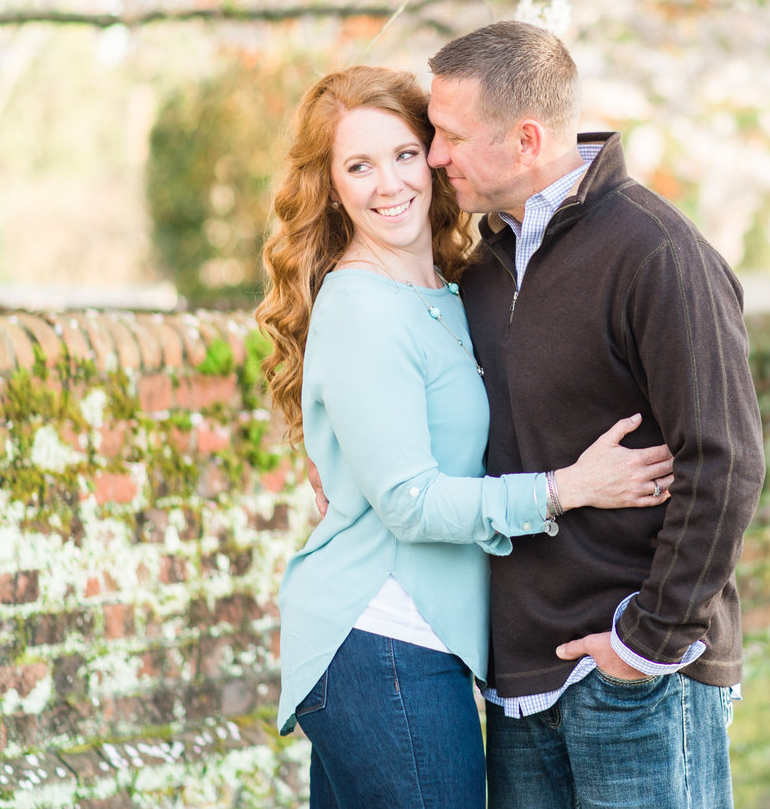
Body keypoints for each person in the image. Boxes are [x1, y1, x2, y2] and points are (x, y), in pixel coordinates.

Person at [255, 64, 676, 808]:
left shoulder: (450, 292)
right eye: (358, 165)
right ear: (330, 186)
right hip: (382, 642)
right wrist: (566, 490)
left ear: (436, 155)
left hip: (422, 646)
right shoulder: (361, 306)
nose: (389, 184)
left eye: (405, 155)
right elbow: (412, 504)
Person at [423, 22, 767, 809]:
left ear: (528, 138)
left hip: (638, 674)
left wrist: (646, 641)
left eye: (450, 135)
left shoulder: (658, 253)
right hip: (518, 685)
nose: (435, 156)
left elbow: (727, 460)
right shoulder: (478, 266)